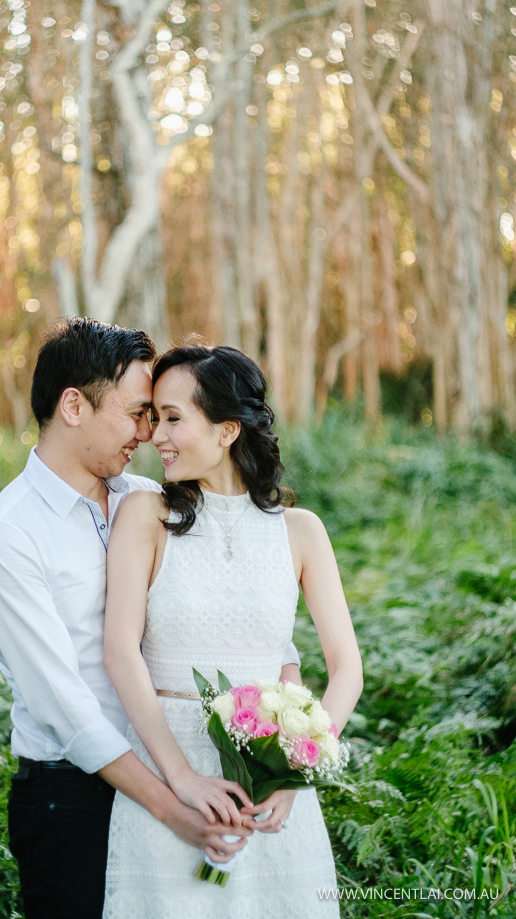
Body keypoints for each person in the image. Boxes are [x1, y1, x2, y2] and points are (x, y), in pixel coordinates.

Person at [0, 319, 259, 919]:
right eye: (136, 414)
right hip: (71, 799)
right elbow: (63, 707)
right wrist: (171, 804)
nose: (149, 433)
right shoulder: (7, 535)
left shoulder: (146, 499)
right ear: (74, 405)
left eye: (155, 416)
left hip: (174, 769)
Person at [102, 343, 363, 918]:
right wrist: (182, 779)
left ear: (226, 431)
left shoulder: (300, 531)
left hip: (271, 789)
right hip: (169, 775)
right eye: (153, 418)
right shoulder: (146, 517)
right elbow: (121, 651)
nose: (156, 436)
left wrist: (296, 773)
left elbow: (347, 670)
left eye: (173, 418)